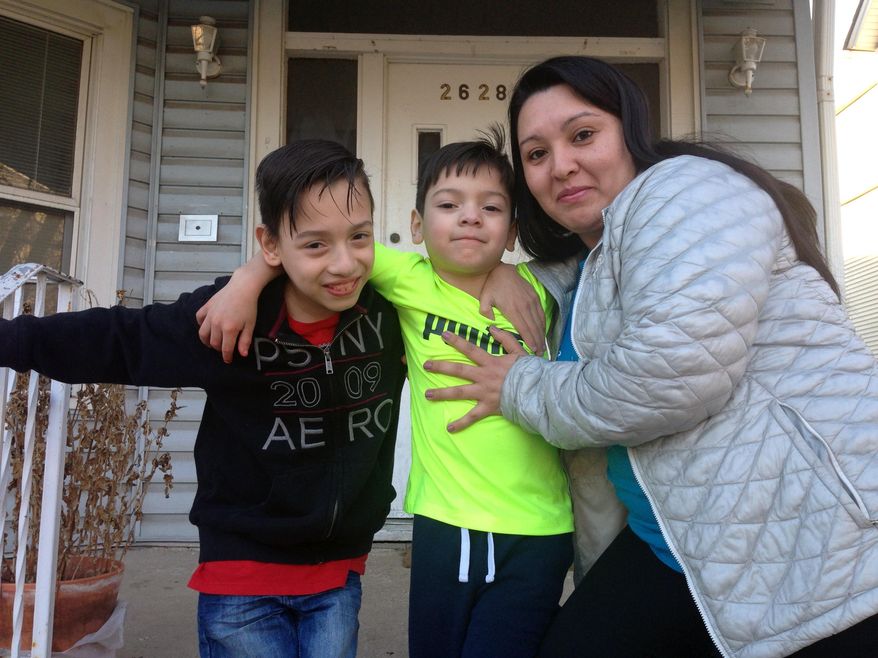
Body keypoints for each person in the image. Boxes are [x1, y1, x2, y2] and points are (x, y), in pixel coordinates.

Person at [419, 56, 878, 657]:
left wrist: (518, 385)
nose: (561, 165)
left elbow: (668, 377)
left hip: (802, 534)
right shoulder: (598, 255)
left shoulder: (688, 190)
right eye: (536, 154)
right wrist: (502, 274)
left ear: (629, 132)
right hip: (679, 542)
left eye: (583, 135)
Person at [0, 139, 408, 658]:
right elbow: (122, 340)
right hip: (241, 578)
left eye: (360, 237)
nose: (344, 263)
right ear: (271, 244)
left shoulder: (390, 314)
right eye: (315, 245)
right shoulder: (230, 319)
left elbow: (455, 285)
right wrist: (9, 339)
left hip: (337, 577)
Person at [196, 129, 574, 658]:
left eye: (491, 207)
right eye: (449, 204)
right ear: (417, 226)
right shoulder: (406, 277)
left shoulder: (542, 290)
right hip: (451, 517)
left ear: (512, 230)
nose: (470, 217)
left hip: (545, 524)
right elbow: (318, 247)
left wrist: (508, 271)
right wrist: (248, 278)